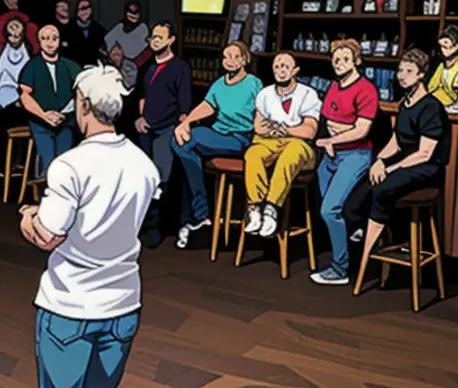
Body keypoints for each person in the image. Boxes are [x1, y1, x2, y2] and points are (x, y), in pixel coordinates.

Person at [18, 64, 159, 388]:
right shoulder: (143, 164)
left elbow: (48, 236)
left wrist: (27, 214)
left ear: (83, 107)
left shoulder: (70, 164)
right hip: (123, 303)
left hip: (70, 305)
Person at [348, 48, 450, 294]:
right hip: (404, 161)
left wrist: (391, 167)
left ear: (422, 75)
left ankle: (367, 257)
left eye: (409, 71)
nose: (402, 76)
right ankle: (370, 238)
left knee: (382, 188)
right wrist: (380, 161)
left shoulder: (431, 107)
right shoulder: (405, 103)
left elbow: (425, 153)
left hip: (426, 168)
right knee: (355, 199)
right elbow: (397, 139)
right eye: (400, 70)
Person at [171, 41, 262, 249]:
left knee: (188, 142)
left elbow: (261, 112)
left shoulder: (253, 83)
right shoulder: (220, 84)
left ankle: (200, 212)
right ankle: (200, 213)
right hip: (217, 133)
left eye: (235, 56)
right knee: (180, 142)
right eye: (226, 57)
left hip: (240, 137)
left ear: (244, 59)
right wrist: (185, 122)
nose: (230, 61)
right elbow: (207, 105)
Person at [310, 39, 379, 286]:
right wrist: (340, 132)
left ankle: (340, 269)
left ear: (357, 62)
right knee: (327, 207)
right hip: (331, 154)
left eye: (345, 59)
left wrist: (335, 137)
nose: (339, 64)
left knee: (330, 210)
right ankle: (352, 237)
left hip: (356, 154)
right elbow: (328, 120)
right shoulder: (333, 86)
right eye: (336, 59)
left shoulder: (366, 89)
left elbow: (361, 131)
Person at [242, 52, 321, 239]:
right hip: (268, 142)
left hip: (299, 145)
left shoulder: (308, 94)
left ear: (295, 70)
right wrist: (288, 128)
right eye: (277, 66)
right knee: (252, 155)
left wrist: (281, 128)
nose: (281, 70)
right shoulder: (265, 94)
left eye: (285, 66)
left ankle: (271, 207)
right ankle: (255, 207)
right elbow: (259, 127)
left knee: (291, 154)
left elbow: (308, 130)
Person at [135, 22, 191, 201]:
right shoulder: (146, 67)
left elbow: (185, 104)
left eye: (160, 37)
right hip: (146, 128)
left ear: (171, 40)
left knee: (162, 182)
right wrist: (141, 118)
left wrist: (181, 125)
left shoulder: (180, 68)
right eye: (153, 37)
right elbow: (142, 96)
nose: (155, 41)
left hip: (167, 128)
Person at [19, 25, 82, 175]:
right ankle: (45, 193)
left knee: (65, 161)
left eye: (54, 38)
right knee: (46, 160)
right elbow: (24, 94)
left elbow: (80, 93)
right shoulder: (32, 66)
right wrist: (44, 115)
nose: (50, 42)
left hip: (65, 121)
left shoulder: (70, 66)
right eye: (45, 38)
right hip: (40, 122)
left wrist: (67, 114)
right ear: (39, 41)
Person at [427, 24, 458, 109]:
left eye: (446, 43)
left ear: (457, 46)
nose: (443, 49)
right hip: (442, 105)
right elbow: (433, 87)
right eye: (441, 45)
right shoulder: (442, 66)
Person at [0, 17, 32, 110]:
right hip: (4, 88)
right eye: (10, 36)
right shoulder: (3, 50)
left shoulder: (28, 50)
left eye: (17, 36)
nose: (14, 40)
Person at [105, 1, 150, 69]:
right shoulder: (120, 26)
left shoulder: (143, 28)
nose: (133, 14)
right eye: (130, 11)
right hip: (115, 66)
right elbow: (108, 41)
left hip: (137, 67)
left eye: (136, 12)